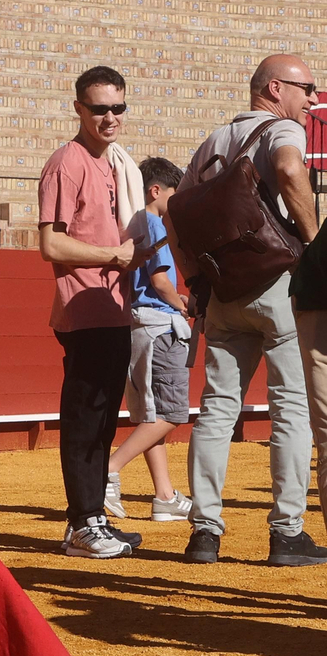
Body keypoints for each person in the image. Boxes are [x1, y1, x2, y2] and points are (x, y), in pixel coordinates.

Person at [175, 54, 325, 566]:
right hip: (280, 285)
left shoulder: (213, 142)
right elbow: (287, 169)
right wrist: (317, 245)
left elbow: (175, 213)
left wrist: (197, 276)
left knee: (217, 408)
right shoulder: (282, 131)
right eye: (307, 89)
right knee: (292, 408)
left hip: (226, 292)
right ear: (276, 88)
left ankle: (203, 532)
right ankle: (286, 533)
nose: (312, 100)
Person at [37, 65, 149, 559]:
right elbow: (50, 243)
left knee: (103, 418)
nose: (109, 117)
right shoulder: (69, 161)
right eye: (99, 108)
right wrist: (113, 256)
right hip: (86, 306)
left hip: (113, 304)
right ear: (78, 109)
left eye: (117, 107)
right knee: (86, 417)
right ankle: (83, 522)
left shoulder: (113, 163)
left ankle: (92, 517)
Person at [104, 157, 193, 522]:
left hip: (140, 325)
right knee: (172, 413)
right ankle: (108, 469)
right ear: (156, 191)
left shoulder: (132, 223)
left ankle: (165, 496)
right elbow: (159, 282)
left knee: (153, 413)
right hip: (161, 324)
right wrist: (183, 304)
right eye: (174, 194)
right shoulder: (153, 222)